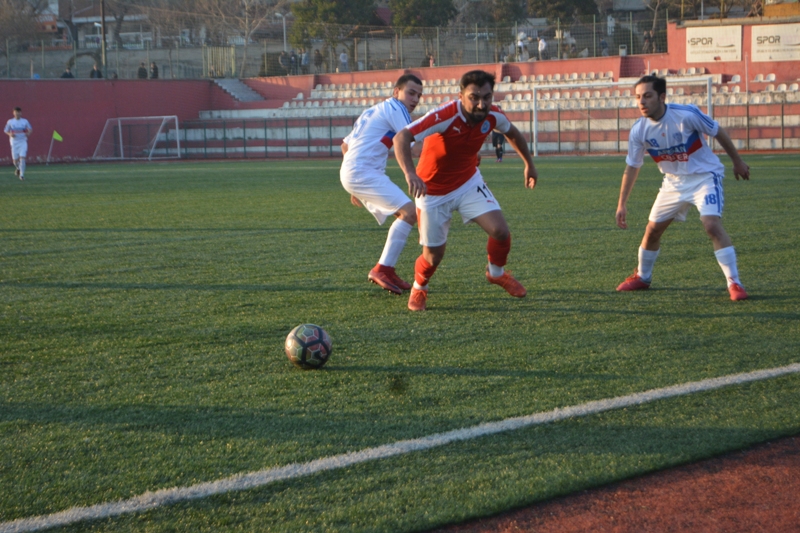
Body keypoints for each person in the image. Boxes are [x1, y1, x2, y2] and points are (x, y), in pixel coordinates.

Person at [394, 70, 539, 311]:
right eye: (474, 97)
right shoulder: (445, 115)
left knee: (500, 231)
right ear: (461, 96)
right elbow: (402, 137)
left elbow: (512, 133)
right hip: (432, 191)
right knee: (433, 256)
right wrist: (410, 173)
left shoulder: (493, 115)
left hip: (468, 182)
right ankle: (420, 287)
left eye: (487, 97)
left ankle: (496, 273)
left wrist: (529, 164)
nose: (481, 104)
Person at [615, 75, 751, 301]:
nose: (642, 102)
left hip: (704, 177)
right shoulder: (639, 130)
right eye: (638, 97)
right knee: (652, 231)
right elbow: (632, 166)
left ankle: (734, 282)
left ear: (662, 97)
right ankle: (643, 277)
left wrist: (737, 161)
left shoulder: (686, 114)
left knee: (711, 225)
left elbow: (717, 131)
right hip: (673, 183)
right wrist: (622, 204)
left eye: (647, 96)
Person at [339, 74, 424, 295]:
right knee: (409, 213)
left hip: (356, 173)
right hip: (361, 173)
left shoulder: (374, 110)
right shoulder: (397, 109)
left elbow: (344, 145)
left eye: (419, 95)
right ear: (396, 92)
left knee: (404, 215)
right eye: (411, 93)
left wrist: (354, 185)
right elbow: (410, 143)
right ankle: (382, 269)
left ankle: (388, 268)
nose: (415, 99)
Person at [5, 107, 33, 181]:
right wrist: (10, 134)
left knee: (22, 158)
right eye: (16, 112)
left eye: (19, 112)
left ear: (21, 113)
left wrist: (28, 133)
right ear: (13, 113)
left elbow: (30, 129)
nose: (17, 113)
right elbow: (6, 130)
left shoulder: (25, 121)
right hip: (14, 142)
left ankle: (22, 175)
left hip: (23, 142)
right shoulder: (10, 121)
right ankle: (18, 168)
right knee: (15, 161)